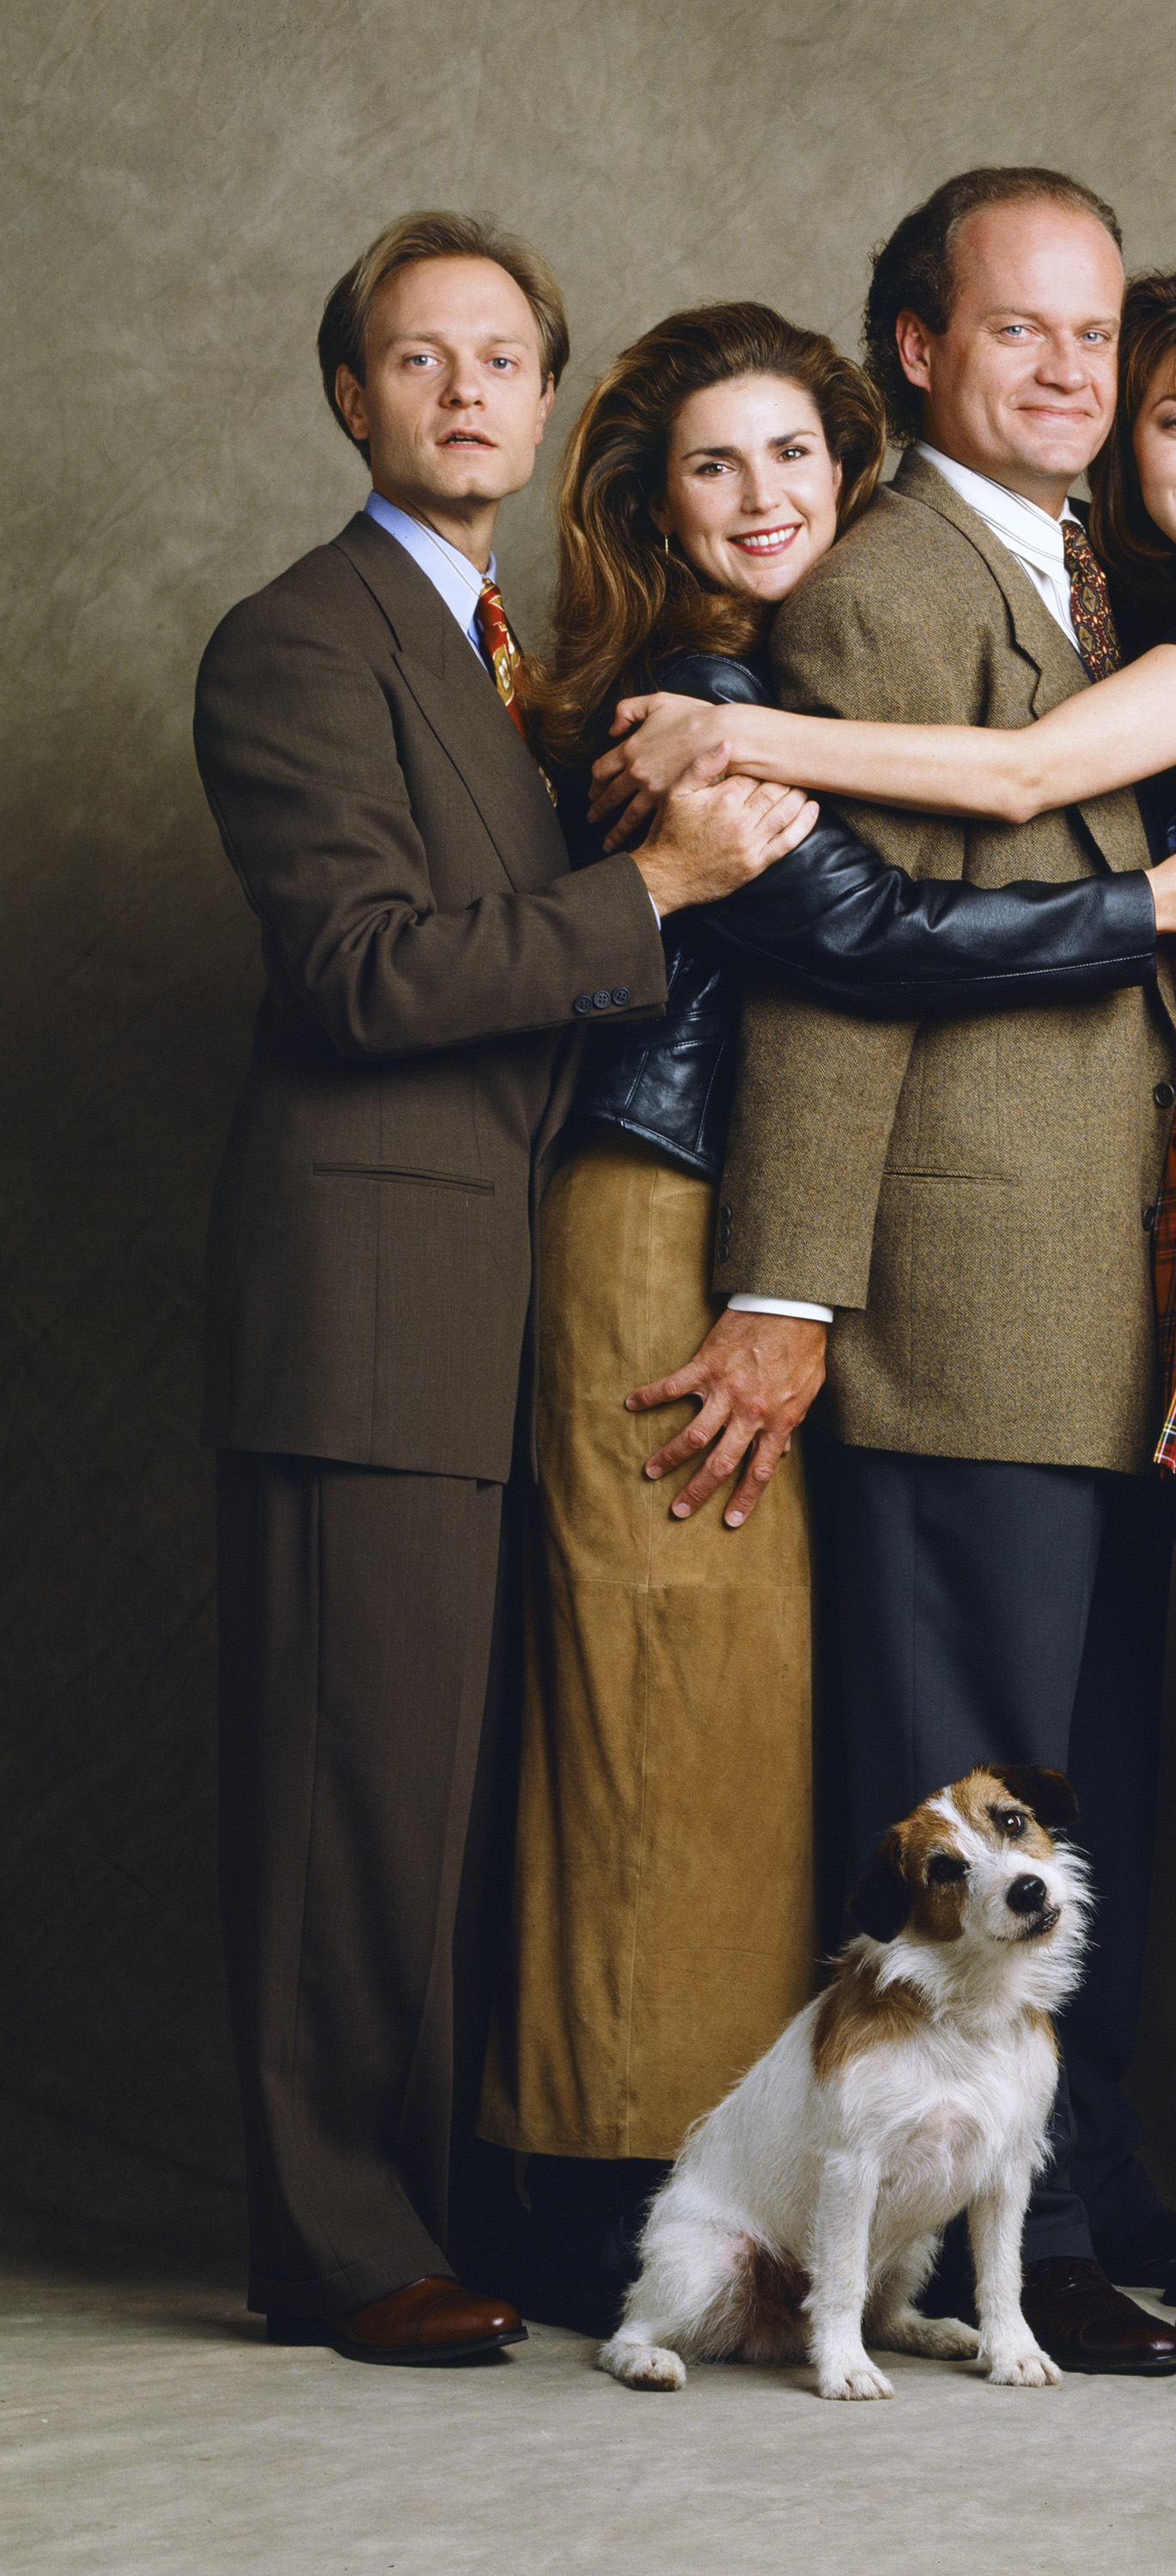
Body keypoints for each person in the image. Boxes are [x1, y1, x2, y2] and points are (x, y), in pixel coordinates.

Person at [594, 256, 1176, 2348]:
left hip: (1127, 1262)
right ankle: (1018, 2246)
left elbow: (1046, 817)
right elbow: (833, 977)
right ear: (919, 351)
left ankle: (1084, 2209)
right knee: (974, 1807)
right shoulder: (902, 583)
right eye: (1041, 334)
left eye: (1110, 345)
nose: (1104, 391)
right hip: (979, 1280)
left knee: (1062, 1794)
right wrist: (794, 1285)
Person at [478, 301, 1176, 2333]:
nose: (768, 499)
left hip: (1000, 1275)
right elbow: (852, 962)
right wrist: (791, 1291)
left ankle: (1019, 2217)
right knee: (835, 1755)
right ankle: (784, 2221)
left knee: (960, 1768)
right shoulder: (734, 677)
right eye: (717, 465)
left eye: (794, 458)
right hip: (790, 1242)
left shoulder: (1029, 578)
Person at [192, 212, 817, 2366]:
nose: (465, 390)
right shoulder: (303, 639)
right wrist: (642, 881)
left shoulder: (503, 658)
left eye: (501, 358)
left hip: (495, 1292)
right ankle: (336, 2243)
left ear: (542, 398)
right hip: (369, 1297)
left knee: (445, 1790)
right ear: (350, 395)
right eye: (414, 355)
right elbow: (364, 974)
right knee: (348, 1794)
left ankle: (422, 2207)